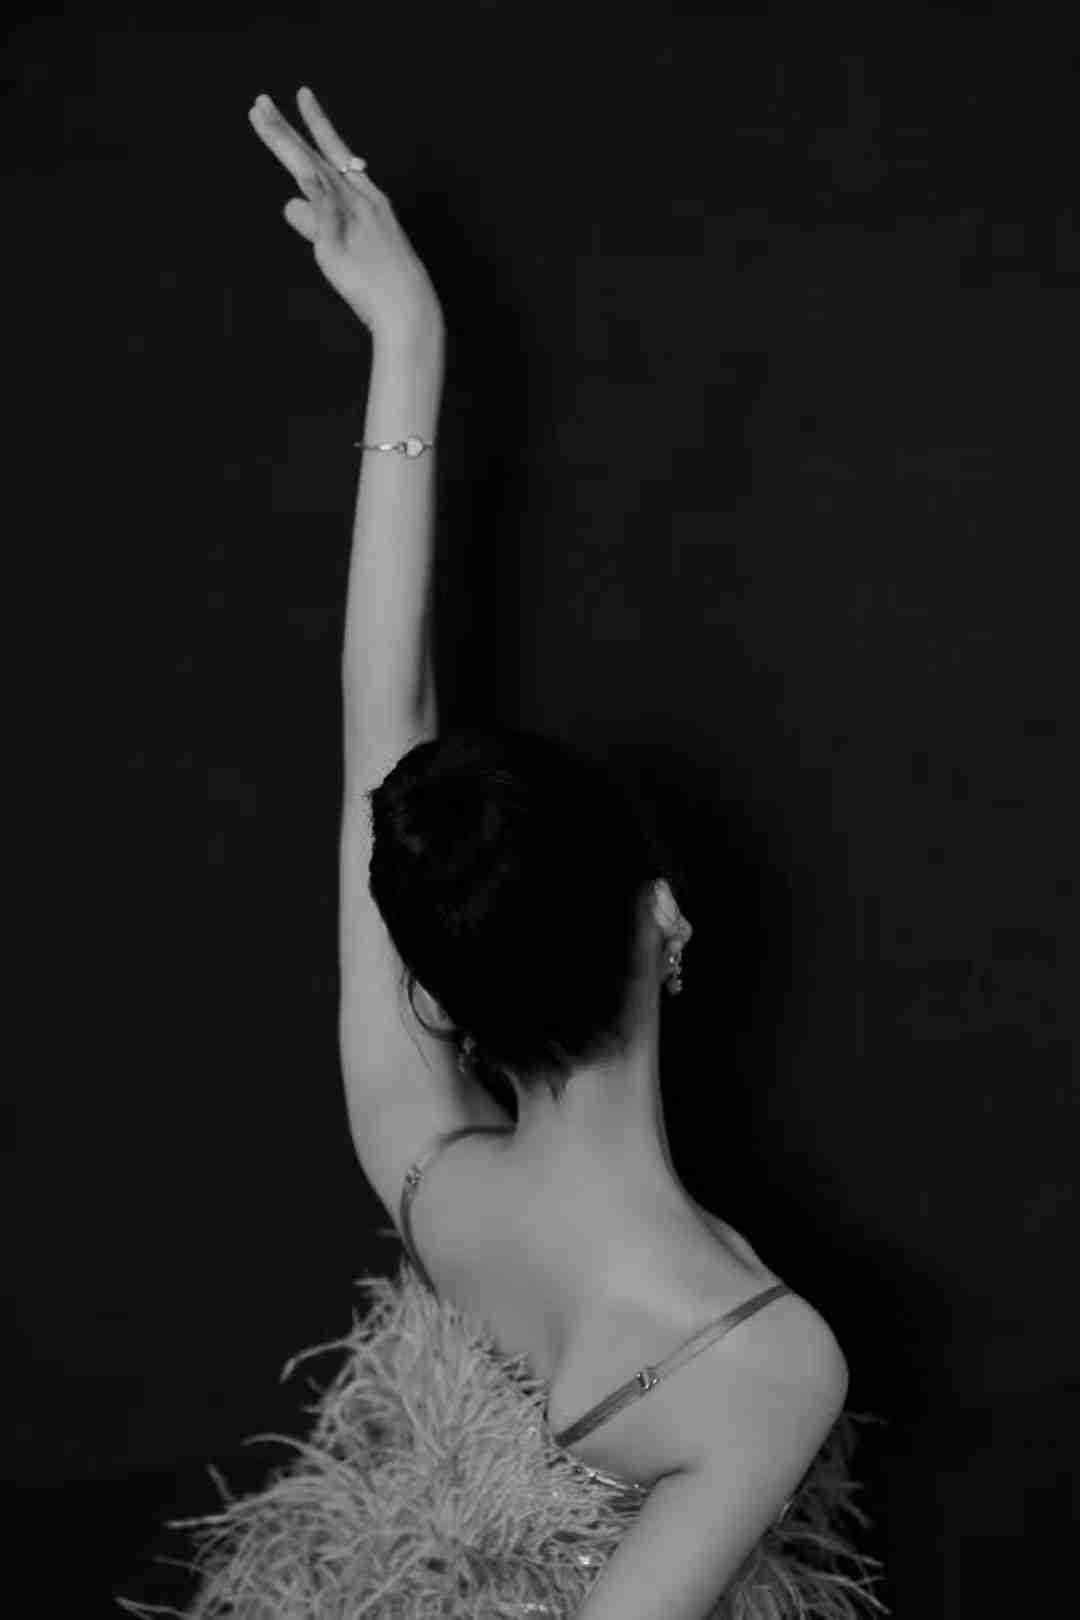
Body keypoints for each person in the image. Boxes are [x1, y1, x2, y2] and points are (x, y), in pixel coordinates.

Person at [120, 87, 887, 1619]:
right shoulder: (767, 1364)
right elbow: (385, 735)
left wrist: (404, 339)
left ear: (440, 999)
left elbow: (382, 727)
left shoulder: (413, 1149)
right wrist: (408, 327)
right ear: (670, 921)